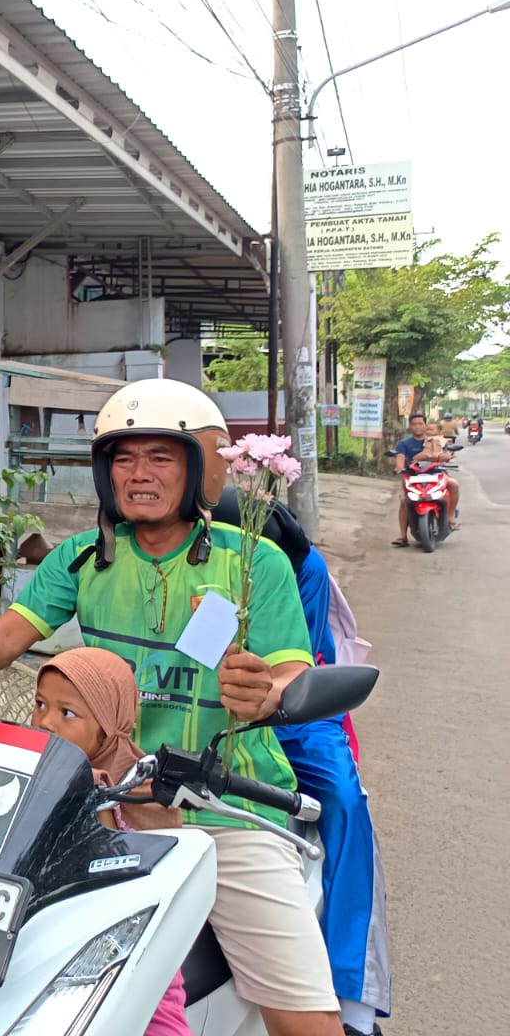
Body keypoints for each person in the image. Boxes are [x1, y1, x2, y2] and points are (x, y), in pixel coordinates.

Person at [0, 378, 342, 1036]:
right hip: (100, 800)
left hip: (225, 808)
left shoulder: (255, 563)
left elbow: (290, 673)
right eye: (123, 458)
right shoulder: (81, 559)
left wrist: (267, 692)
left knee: (304, 1020)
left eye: (160, 457)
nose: (138, 474)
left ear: (202, 469)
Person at [209, 491, 391, 1036]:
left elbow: (299, 663)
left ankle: (353, 994)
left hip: (296, 711)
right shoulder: (202, 560)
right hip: (213, 707)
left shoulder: (298, 566)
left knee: (344, 801)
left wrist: (264, 694)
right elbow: (191, 654)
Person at [33, 647, 190, 1036]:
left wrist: (85, 785)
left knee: (159, 1018)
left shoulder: (131, 789)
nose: (45, 722)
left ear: (107, 725)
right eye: (40, 704)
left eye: (67, 713)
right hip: (46, 932)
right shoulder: (32, 769)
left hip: (127, 941)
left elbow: (104, 844)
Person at [392, 412, 459, 545]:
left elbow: (446, 455)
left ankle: (450, 517)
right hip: (413, 477)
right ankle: (403, 536)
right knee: (404, 501)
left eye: (420, 424)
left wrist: (446, 457)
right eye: (414, 424)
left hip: (435, 475)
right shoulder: (404, 443)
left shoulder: (436, 441)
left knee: (454, 484)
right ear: (410, 426)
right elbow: (400, 458)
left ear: (425, 425)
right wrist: (399, 468)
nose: (417, 427)